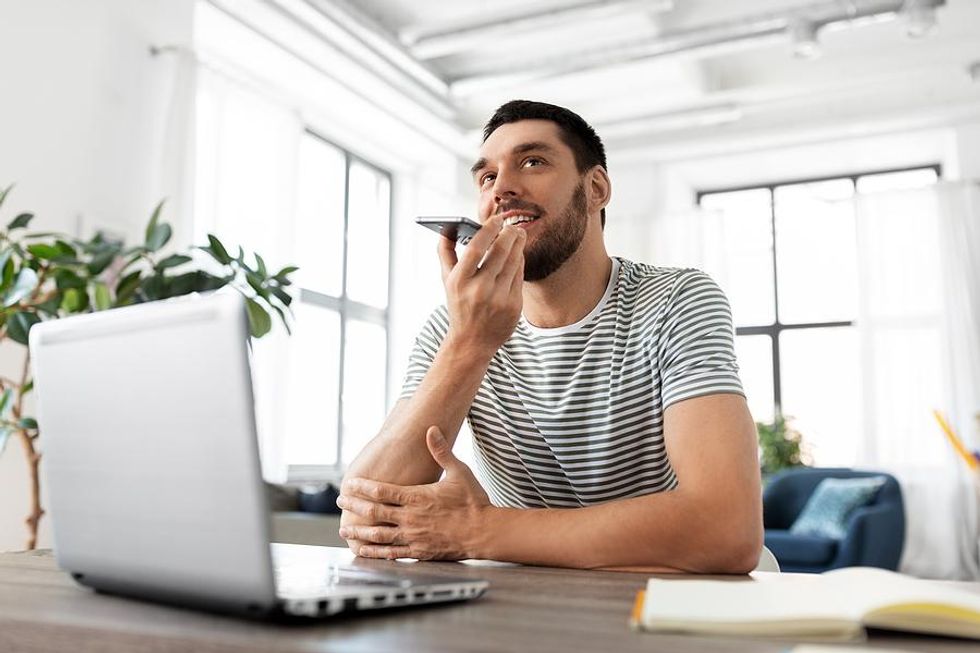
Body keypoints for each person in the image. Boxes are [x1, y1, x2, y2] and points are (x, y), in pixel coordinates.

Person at [336, 100, 763, 572]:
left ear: (596, 187)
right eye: (486, 177)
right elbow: (365, 519)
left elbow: (727, 529)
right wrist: (470, 343)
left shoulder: (677, 299)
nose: (503, 189)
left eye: (532, 162)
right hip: (526, 604)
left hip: (659, 601)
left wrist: (479, 530)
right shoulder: (452, 327)